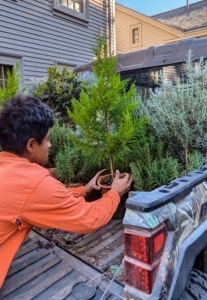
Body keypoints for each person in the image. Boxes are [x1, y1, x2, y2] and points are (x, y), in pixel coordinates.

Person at [0, 94, 133, 288]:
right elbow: (89, 218)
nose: (50, 145)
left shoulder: (8, 170)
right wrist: (115, 193)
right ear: (31, 145)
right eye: (47, 139)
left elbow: (40, 199)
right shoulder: (33, 184)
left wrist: (84, 190)